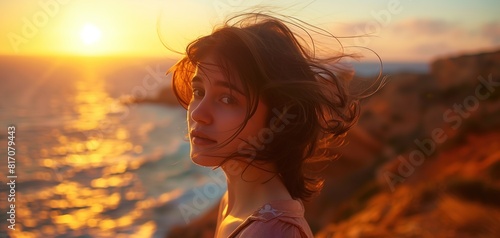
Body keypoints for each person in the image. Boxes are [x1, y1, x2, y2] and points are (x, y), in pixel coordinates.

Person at [167, 12, 380, 238]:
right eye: (198, 92)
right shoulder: (235, 203)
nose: (198, 114)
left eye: (228, 99)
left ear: (278, 116)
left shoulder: (272, 231)